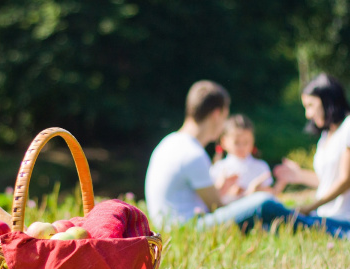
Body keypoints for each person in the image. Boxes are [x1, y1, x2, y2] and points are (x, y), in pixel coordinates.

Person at [144, 80, 275, 231]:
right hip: (188, 228)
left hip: (170, 227)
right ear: (216, 114)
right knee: (262, 201)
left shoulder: (169, 142)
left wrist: (221, 190)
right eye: (225, 116)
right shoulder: (193, 153)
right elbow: (217, 208)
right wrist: (249, 195)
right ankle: (308, 222)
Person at [255, 73, 350, 238]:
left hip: (342, 220)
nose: (308, 114)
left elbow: (345, 181)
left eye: (311, 105)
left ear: (328, 100)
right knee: (271, 222)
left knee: (271, 213)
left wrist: (309, 208)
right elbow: (327, 181)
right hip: (324, 216)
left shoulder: (348, 127)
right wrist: (298, 175)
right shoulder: (326, 136)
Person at [210, 114, 285, 204]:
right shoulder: (219, 168)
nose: (241, 147)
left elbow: (271, 197)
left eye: (246, 142)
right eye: (236, 142)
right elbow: (213, 202)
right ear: (224, 141)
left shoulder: (261, 166)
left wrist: (281, 182)